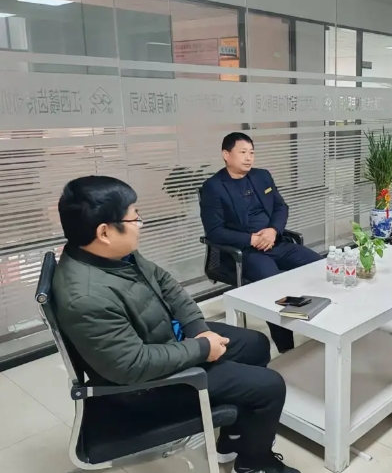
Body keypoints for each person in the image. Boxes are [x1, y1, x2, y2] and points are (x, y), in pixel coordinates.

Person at [52, 176, 299, 473]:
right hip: (145, 388)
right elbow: (131, 365)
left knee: (255, 344)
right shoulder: (86, 296)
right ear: (104, 231)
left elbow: (165, 283)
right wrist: (202, 348)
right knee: (270, 386)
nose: (140, 224)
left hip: (165, 340)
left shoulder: (112, 254)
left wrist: (198, 329)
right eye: (134, 217)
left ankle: (233, 440)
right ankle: (255, 463)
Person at [200, 132, 322, 353]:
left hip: (276, 242)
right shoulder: (214, 187)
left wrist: (273, 230)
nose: (249, 158)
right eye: (243, 152)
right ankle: (287, 349)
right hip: (245, 252)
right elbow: (215, 232)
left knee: (320, 266)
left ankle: (323, 329)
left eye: (252, 153)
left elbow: (280, 207)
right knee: (275, 288)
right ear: (226, 155)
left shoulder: (262, 176)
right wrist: (251, 239)